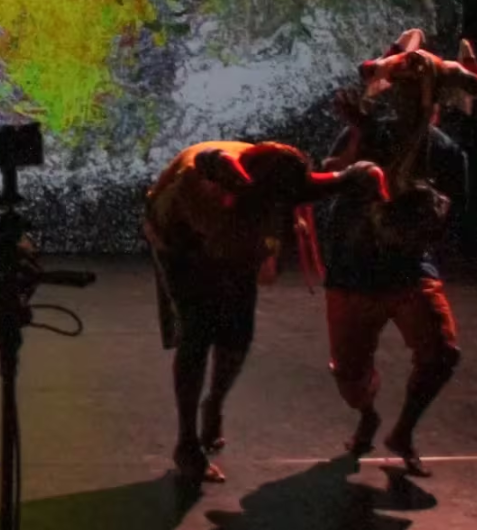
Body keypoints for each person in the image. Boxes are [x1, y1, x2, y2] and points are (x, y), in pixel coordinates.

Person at [144, 139, 359, 484]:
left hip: (232, 237)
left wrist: (353, 176)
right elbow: (217, 243)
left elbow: (321, 187)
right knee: (197, 333)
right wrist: (256, 249)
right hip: (179, 242)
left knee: (237, 334)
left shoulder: (272, 182)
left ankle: (213, 402)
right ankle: (187, 442)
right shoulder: (198, 191)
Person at [321, 30, 467, 477]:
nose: (406, 101)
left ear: (433, 101)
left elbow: (447, 218)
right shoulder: (366, 132)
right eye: (401, 90)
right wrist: (356, 145)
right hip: (353, 269)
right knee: (349, 375)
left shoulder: (444, 152)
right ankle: (367, 414)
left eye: (416, 92)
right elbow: (331, 176)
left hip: (406, 270)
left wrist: (419, 222)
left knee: (441, 352)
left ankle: (402, 431)